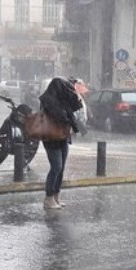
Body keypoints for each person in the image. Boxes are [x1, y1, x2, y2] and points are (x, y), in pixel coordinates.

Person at [38, 77, 83, 209]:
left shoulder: (61, 99)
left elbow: (73, 110)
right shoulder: (48, 100)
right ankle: (48, 198)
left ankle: (56, 196)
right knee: (56, 167)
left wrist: (76, 97)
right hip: (51, 137)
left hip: (62, 136)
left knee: (61, 168)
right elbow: (61, 116)